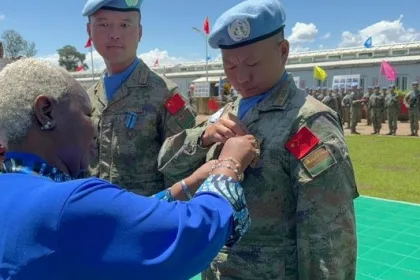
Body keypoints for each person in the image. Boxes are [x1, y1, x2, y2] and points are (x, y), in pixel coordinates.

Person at [0, 58, 257, 280]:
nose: (96, 128)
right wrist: (229, 164)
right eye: (88, 115)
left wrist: (189, 183)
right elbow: (193, 232)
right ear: (46, 112)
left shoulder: (14, 191)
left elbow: (124, 219)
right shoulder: (67, 205)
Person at [158, 0, 359, 278]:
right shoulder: (228, 112)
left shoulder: (305, 123)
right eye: (230, 65)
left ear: (283, 51)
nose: (241, 76)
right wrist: (202, 137)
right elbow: (167, 164)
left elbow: (329, 232)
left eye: (252, 62)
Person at [82, 0, 196, 196]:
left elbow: (184, 172)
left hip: (146, 221)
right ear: (89, 31)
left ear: (139, 32)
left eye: (125, 25)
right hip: (94, 218)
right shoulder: (86, 98)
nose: (115, 34)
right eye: (103, 24)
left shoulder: (166, 95)